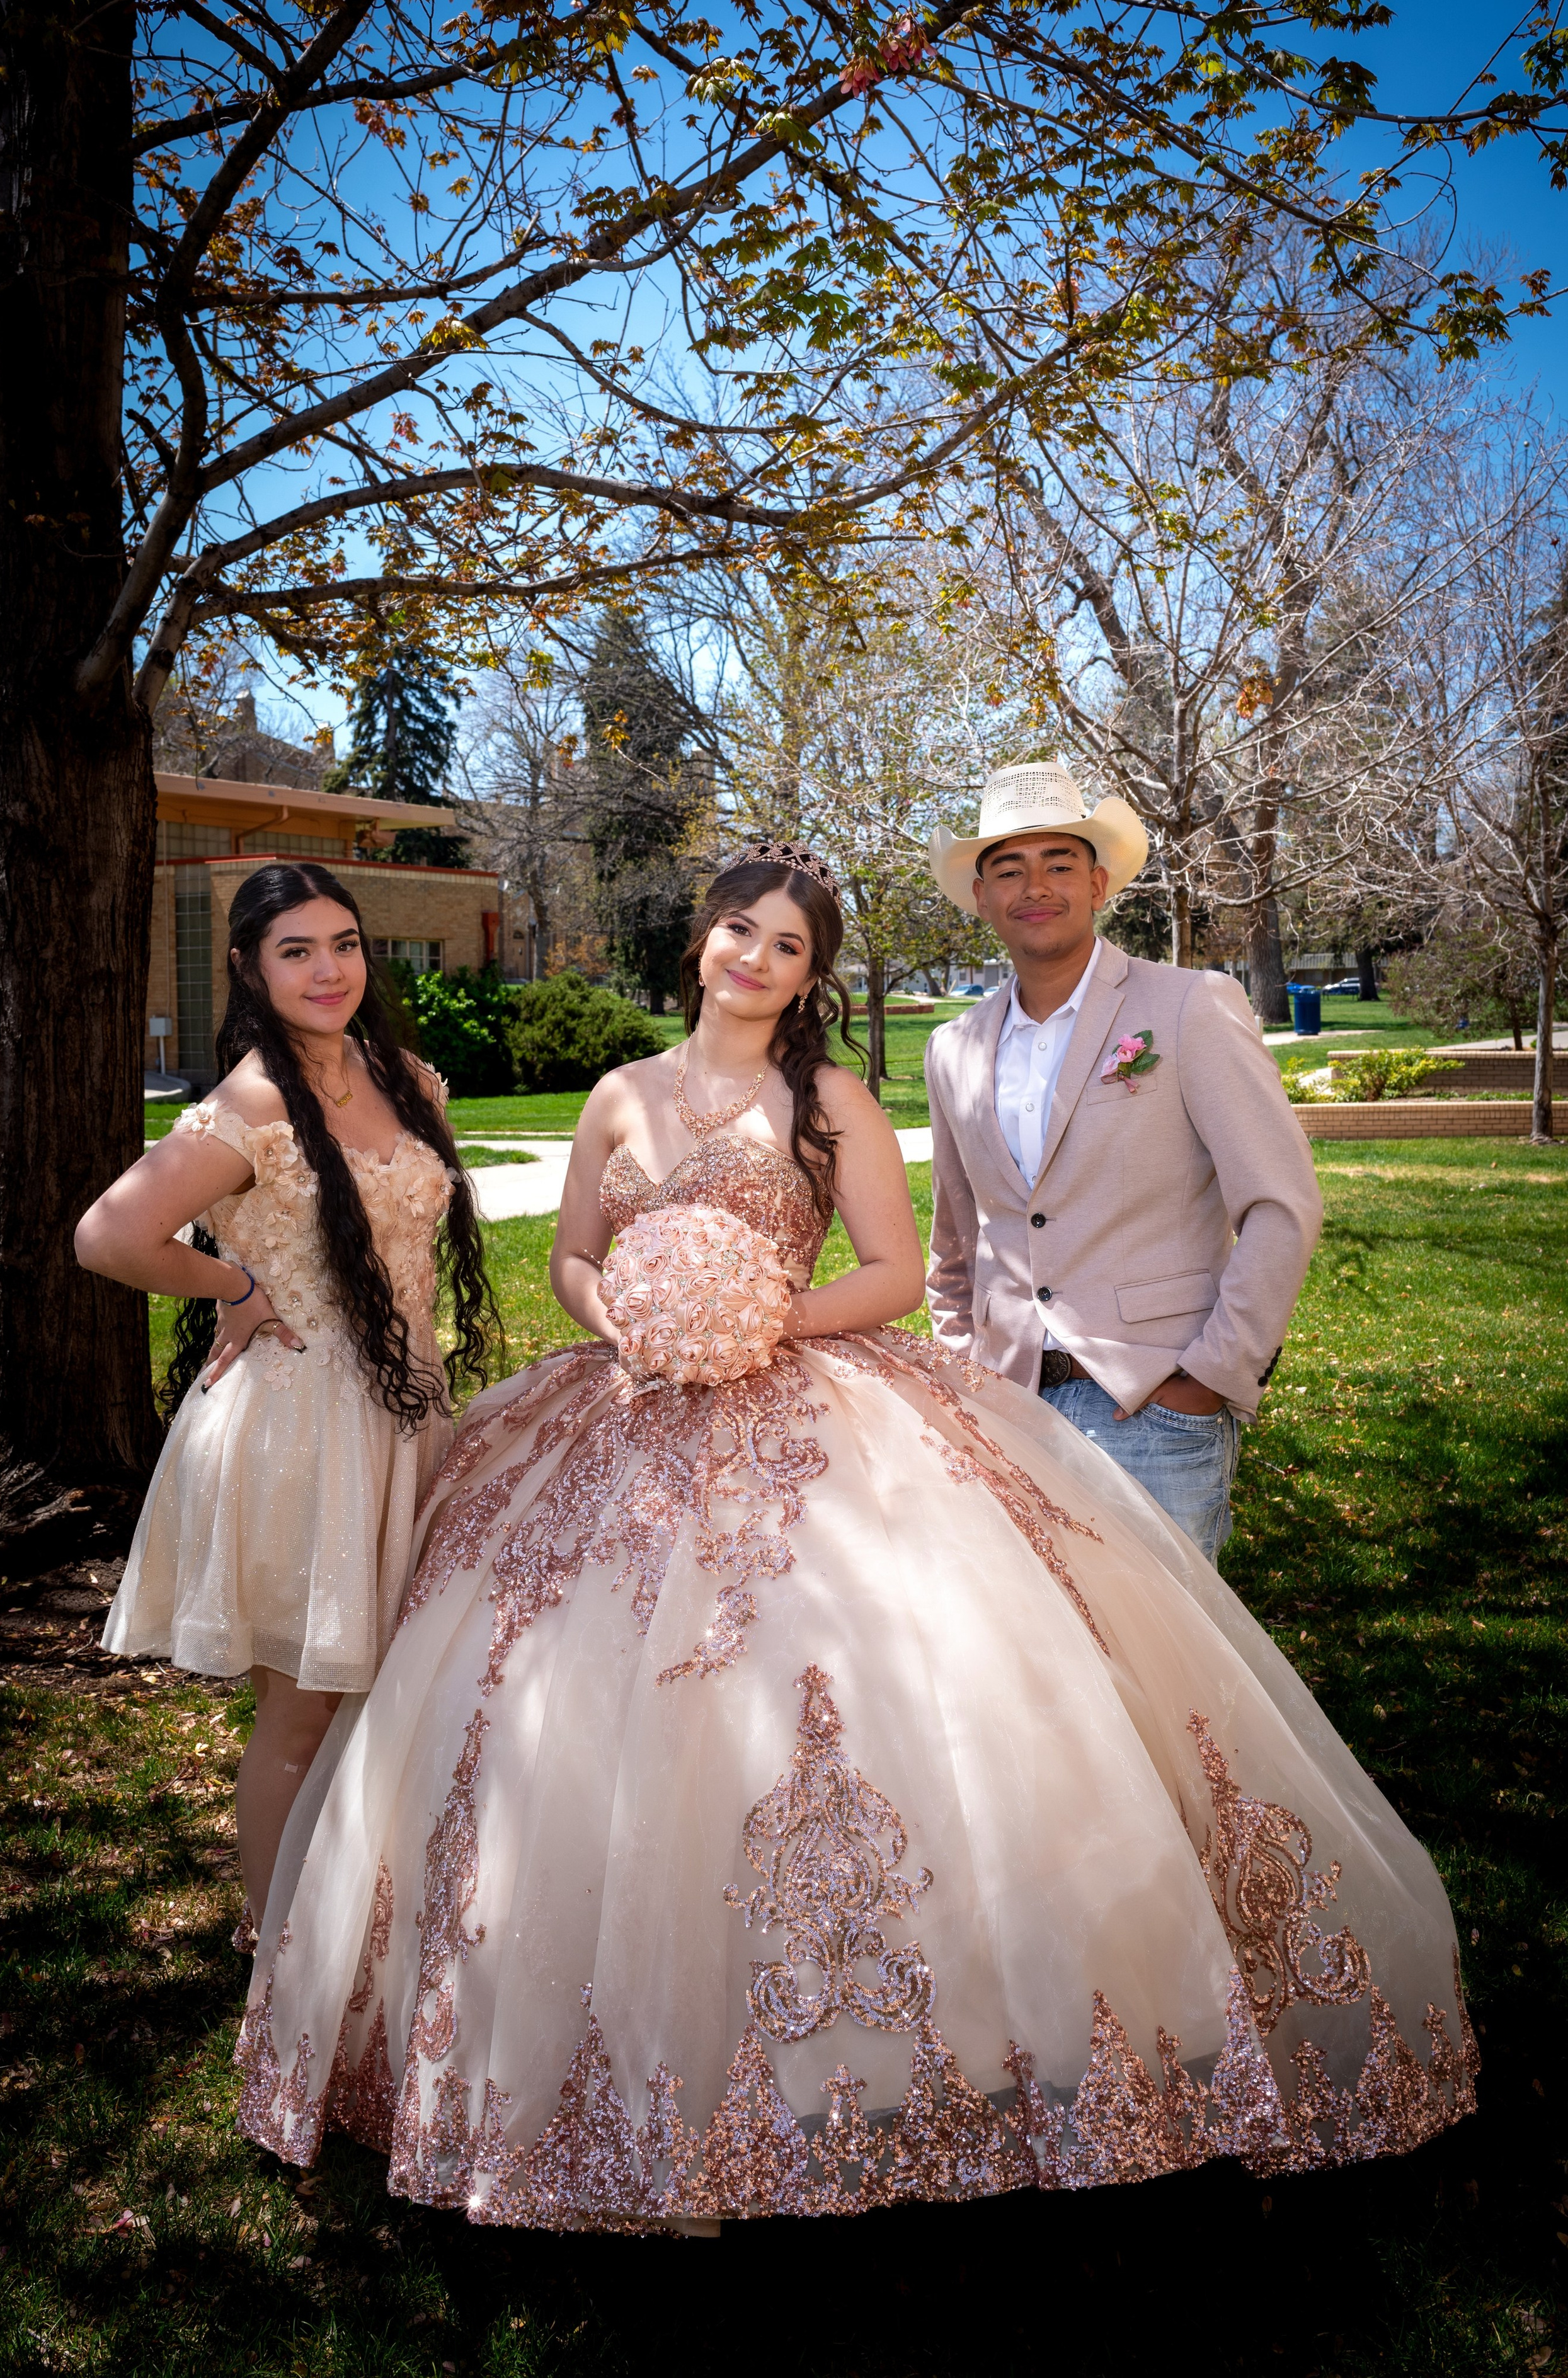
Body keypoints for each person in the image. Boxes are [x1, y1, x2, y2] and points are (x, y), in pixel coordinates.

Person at [234, 841, 1470, 2234]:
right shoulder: (617, 1096)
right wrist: (625, 1316)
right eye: (737, 932)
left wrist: (758, 1318)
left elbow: (889, 1271)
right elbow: (573, 1255)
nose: (753, 959)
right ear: (698, 937)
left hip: (802, 1408)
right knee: (564, 1704)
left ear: (810, 978)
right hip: (624, 1412)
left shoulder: (827, 1101)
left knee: (867, 1698)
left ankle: (944, 2046)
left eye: (787, 947)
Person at [77, 860, 496, 1937]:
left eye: (345, 944)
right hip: (300, 1430)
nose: (328, 970)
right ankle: (276, 1955)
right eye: (296, 950)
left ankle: (359, 1932)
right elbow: (110, 1235)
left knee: (392, 1700)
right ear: (250, 970)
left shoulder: (406, 1076)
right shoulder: (249, 1102)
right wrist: (240, 1285)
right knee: (301, 1714)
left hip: (408, 1414)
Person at [925, 760, 1323, 1562]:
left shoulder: (1188, 1006)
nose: (1034, 885)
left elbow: (1281, 1206)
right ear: (981, 897)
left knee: (1166, 1675)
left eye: (1058, 863)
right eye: (1008, 868)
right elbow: (956, 1237)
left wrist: (1210, 1377)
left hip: (1153, 1406)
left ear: (1100, 883)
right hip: (1006, 1405)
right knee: (1038, 1661)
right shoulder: (951, 1047)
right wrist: (960, 1370)